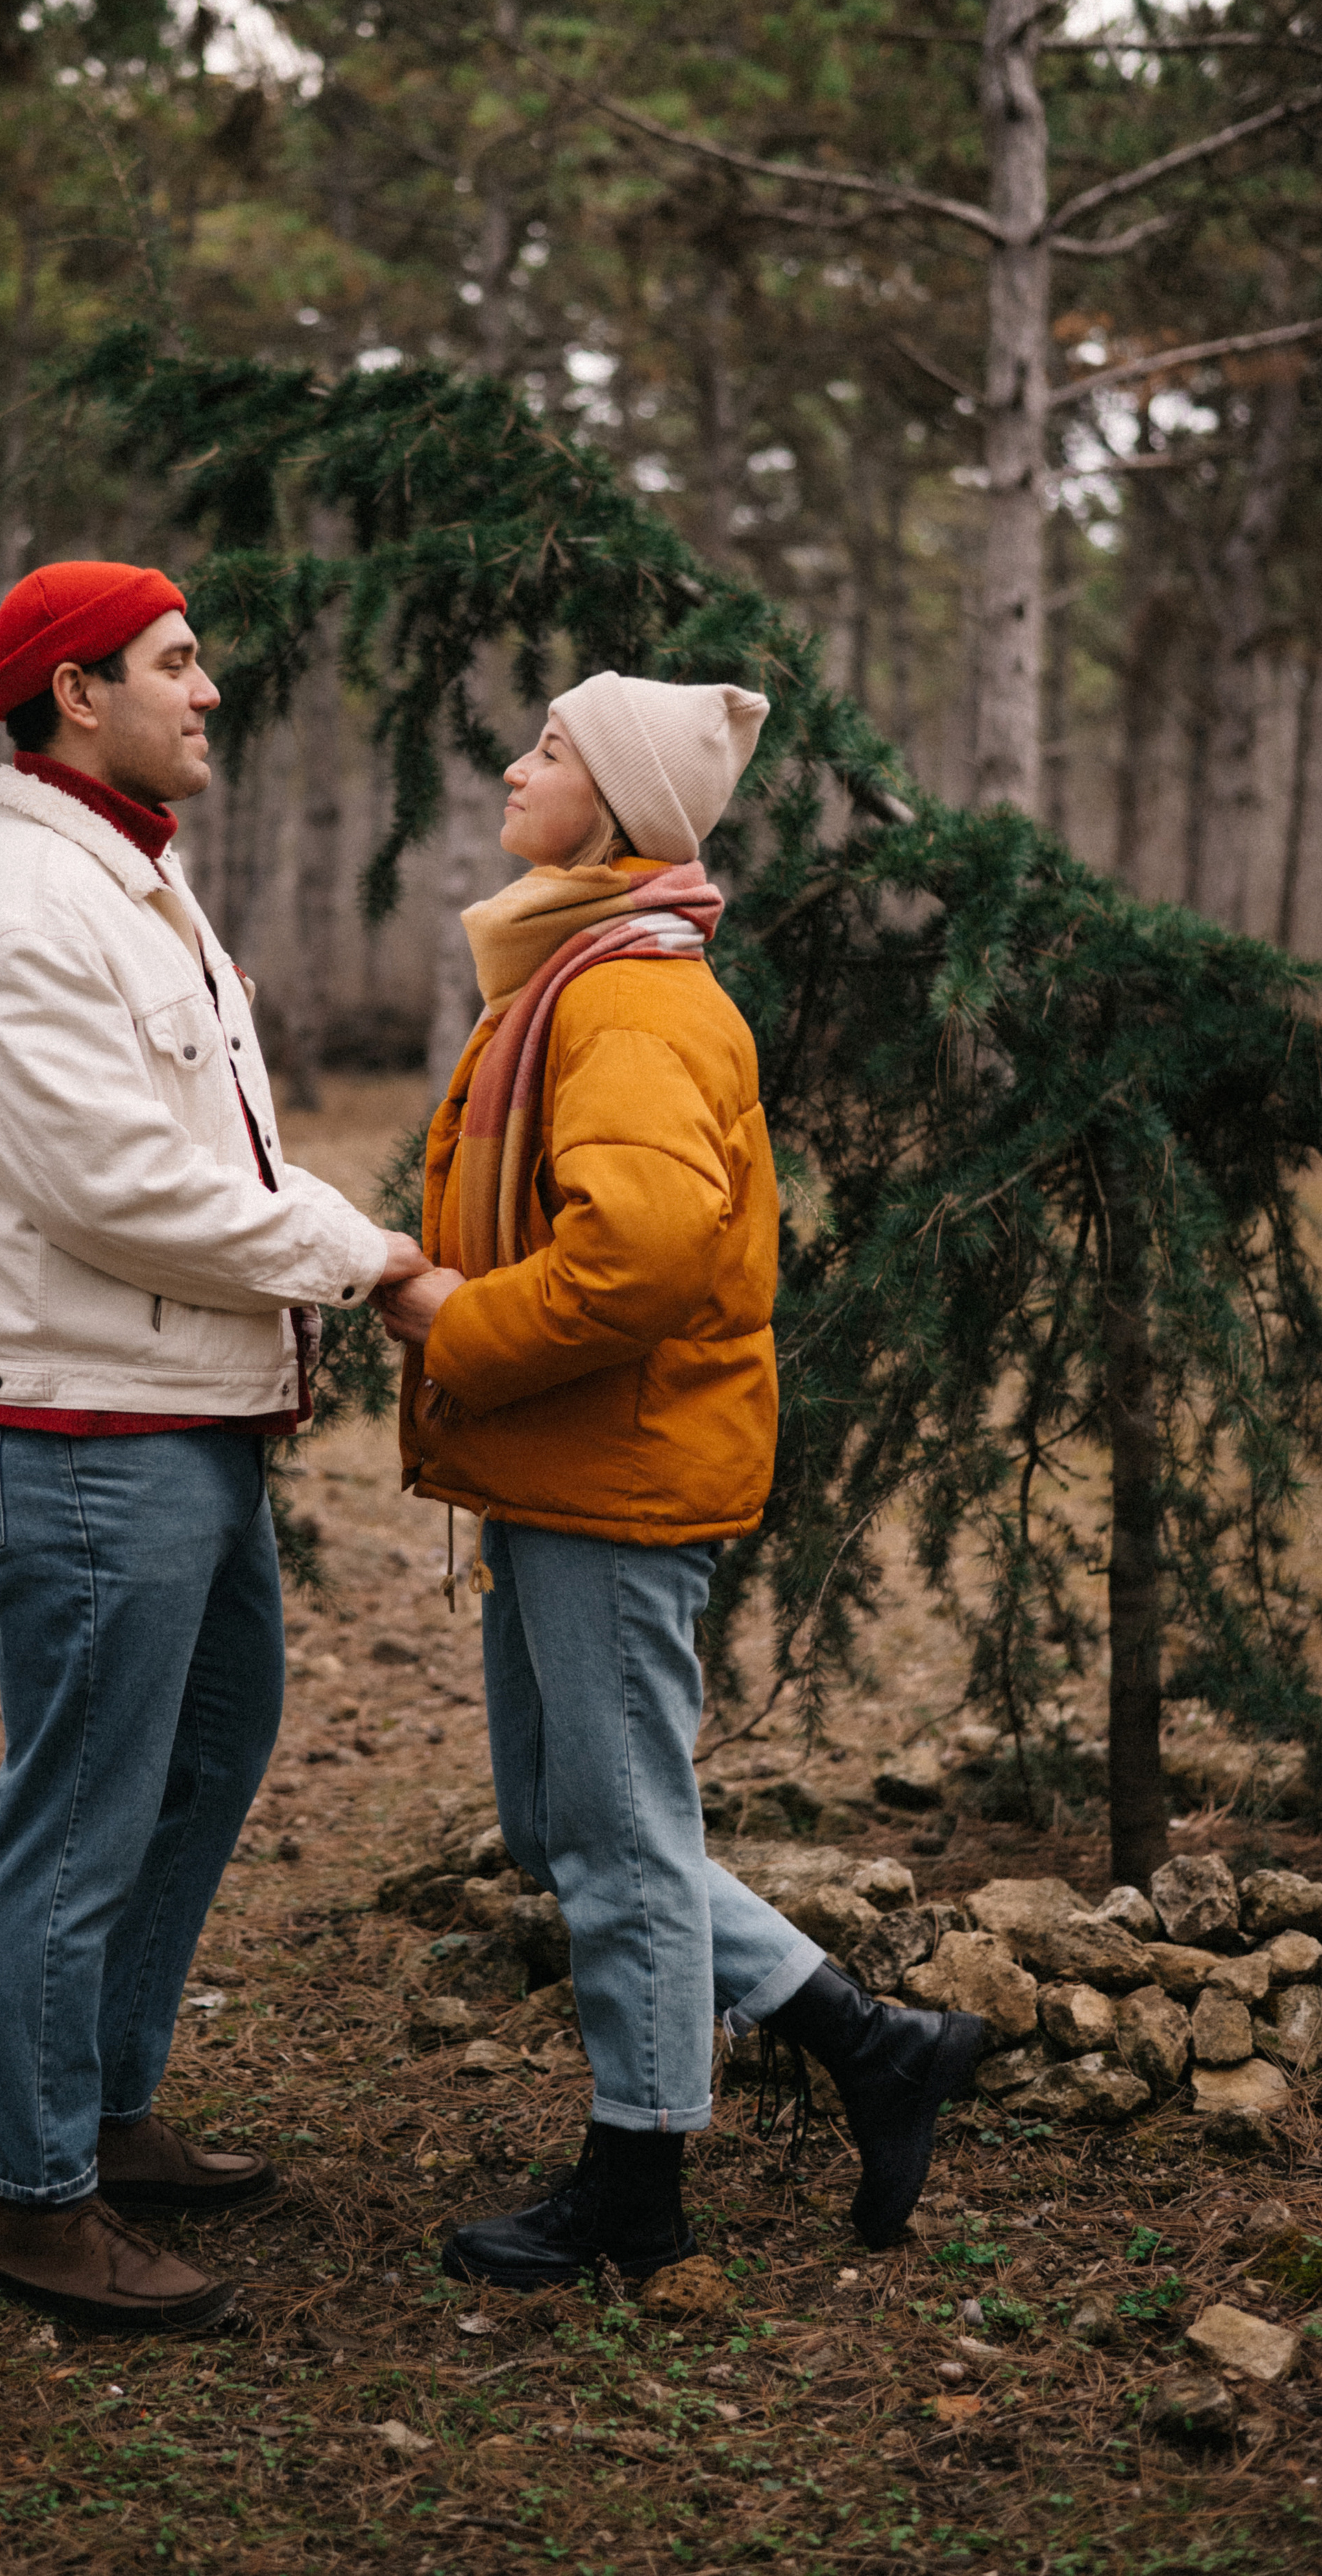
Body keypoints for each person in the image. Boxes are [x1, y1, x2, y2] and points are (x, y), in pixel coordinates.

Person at [377, 672, 980, 2287]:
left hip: (614, 1474)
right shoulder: (582, 974)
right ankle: (868, 2043)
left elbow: (635, 1256)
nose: (515, 766)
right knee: (560, 1820)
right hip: (568, 1463)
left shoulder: (628, 999)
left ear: (625, 807)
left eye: (551, 749)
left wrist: (452, 1324)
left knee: (618, 1834)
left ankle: (637, 2189)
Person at [0, 561, 428, 2333]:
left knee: (202, 1759)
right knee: (76, 1826)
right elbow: (124, 1193)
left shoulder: (130, 877)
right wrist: (369, 1260)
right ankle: (39, 2209)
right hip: (86, 1442)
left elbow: (214, 1153)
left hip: (178, 1425)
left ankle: (104, 2112)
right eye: (174, 664)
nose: (208, 692)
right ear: (75, 692)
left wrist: (340, 1249)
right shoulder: (27, 911)